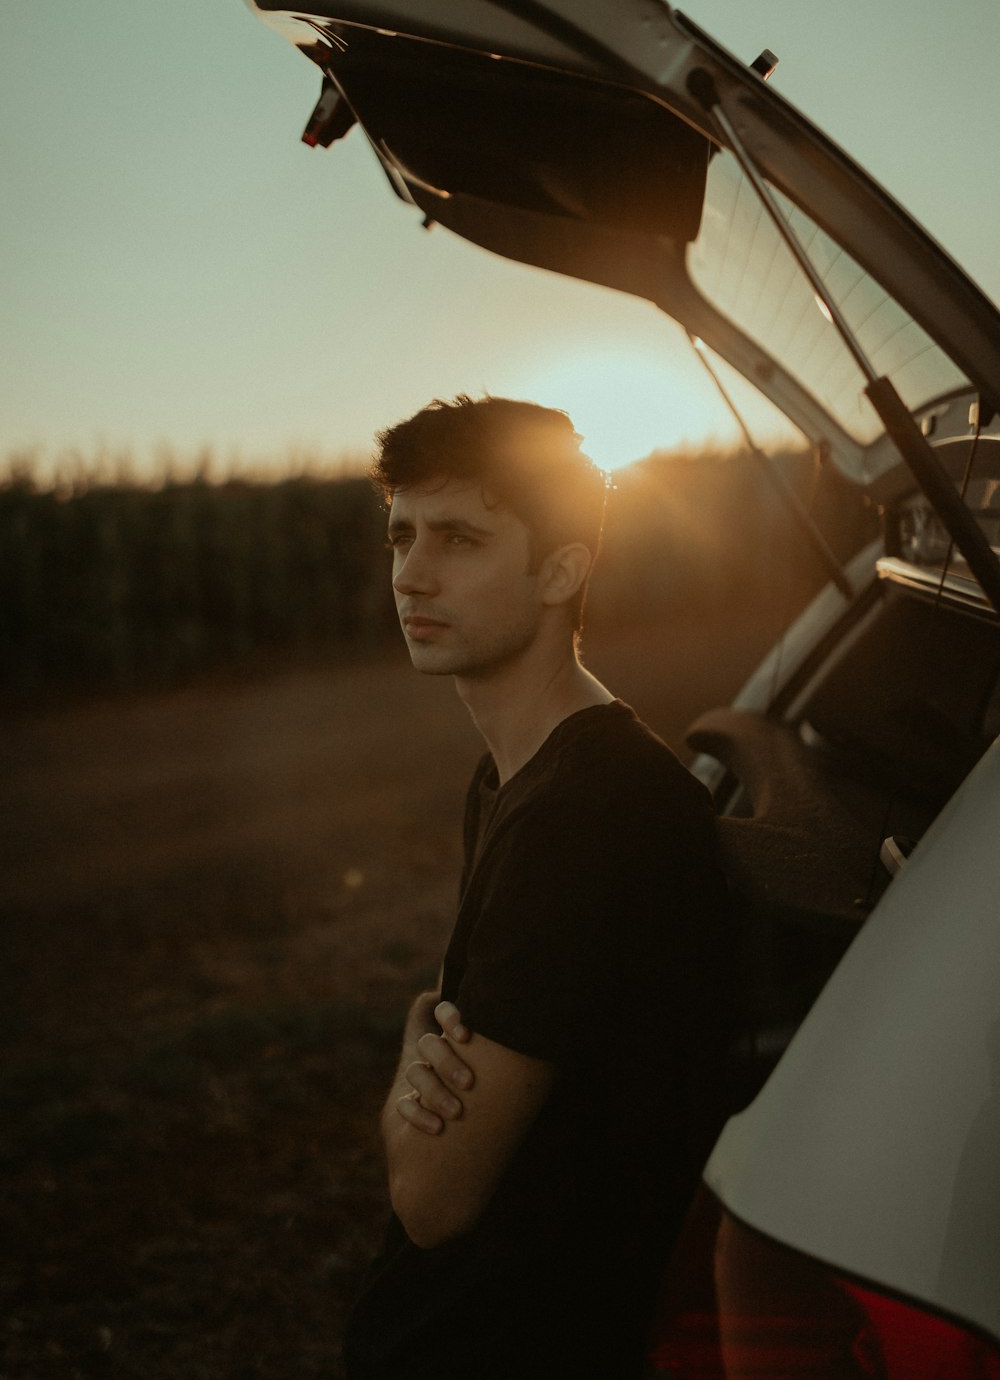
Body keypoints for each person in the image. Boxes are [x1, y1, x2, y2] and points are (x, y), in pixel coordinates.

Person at [343, 395, 734, 1379]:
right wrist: (429, 1040)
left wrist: (409, 1059)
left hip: (520, 1338)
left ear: (563, 568)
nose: (411, 574)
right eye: (401, 536)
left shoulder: (584, 813)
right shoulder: (521, 773)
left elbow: (433, 1200)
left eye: (460, 539)